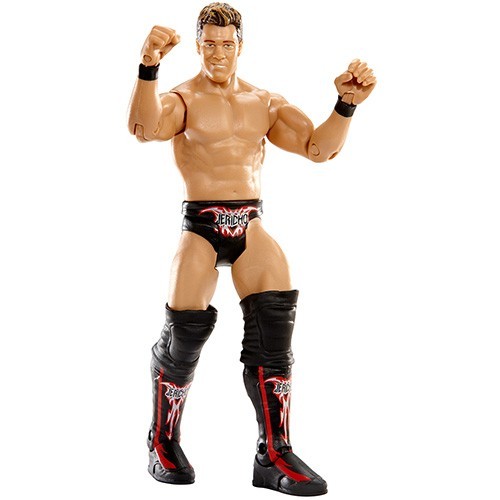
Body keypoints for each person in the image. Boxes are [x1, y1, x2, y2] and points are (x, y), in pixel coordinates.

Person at [128, 2, 376, 496]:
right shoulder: (182, 99)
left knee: (275, 331)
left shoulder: (264, 102)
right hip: (201, 224)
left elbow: (318, 149)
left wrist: (345, 105)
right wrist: (148, 67)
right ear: (198, 46)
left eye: (227, 44)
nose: (218, 53)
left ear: (241, 46)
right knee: (183, 335)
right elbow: (144, 128)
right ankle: (162, 440)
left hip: (250, 223)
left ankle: (274, 454)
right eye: (209, 44)